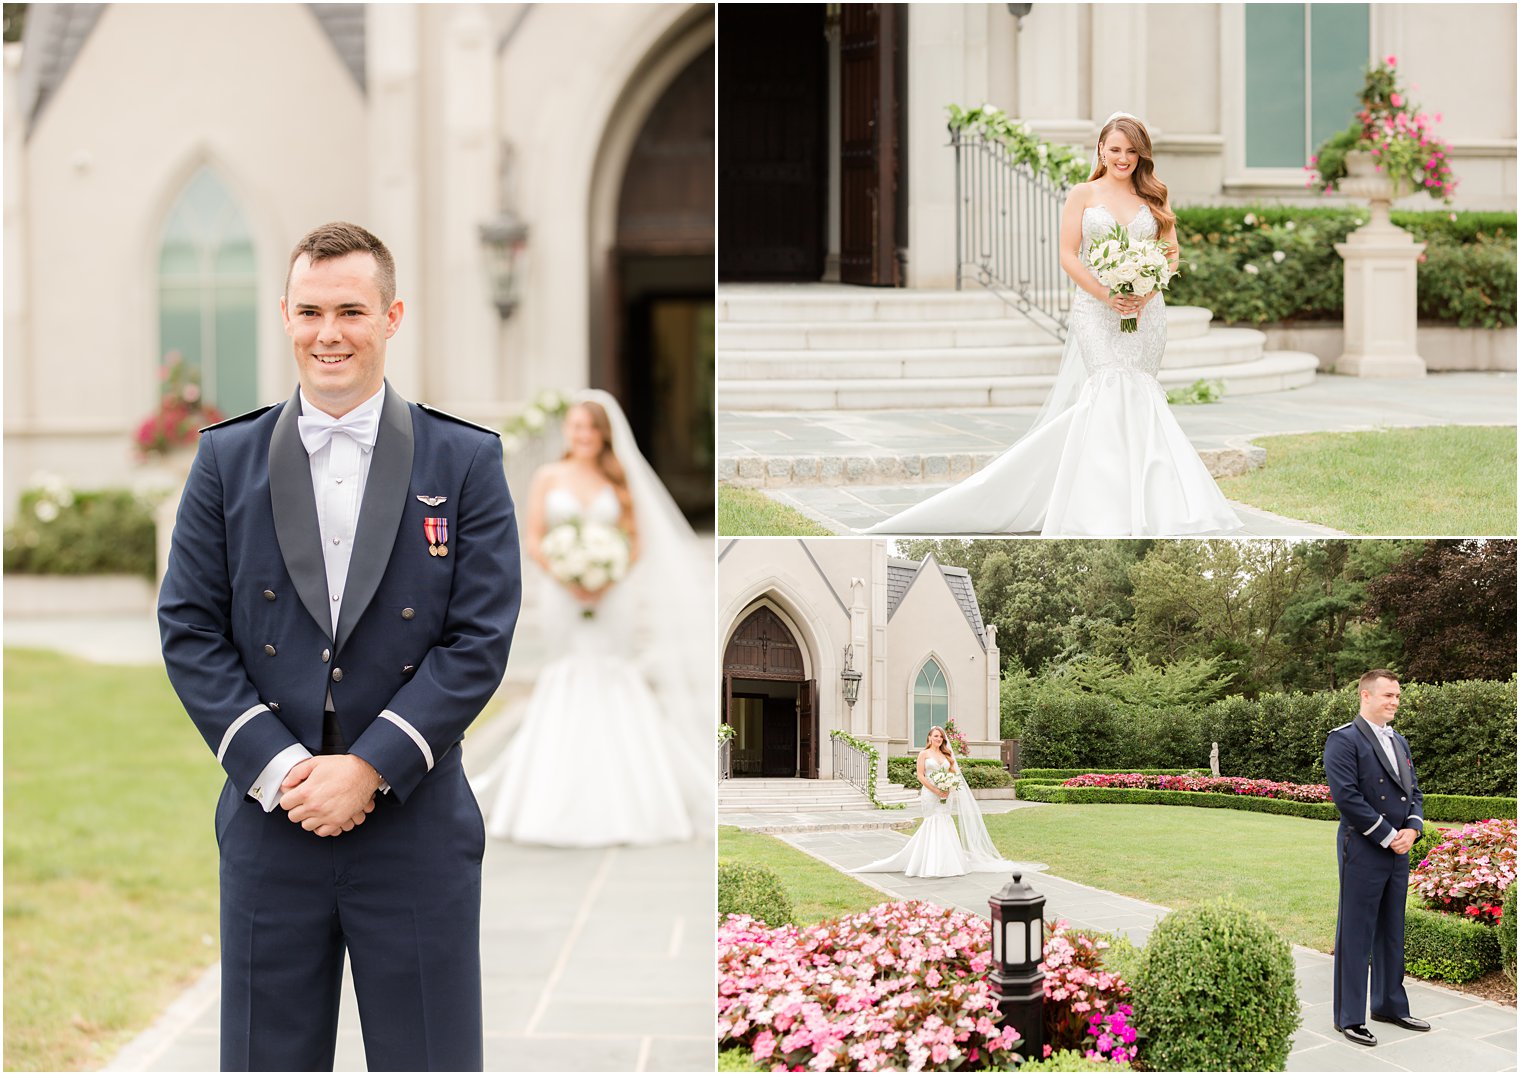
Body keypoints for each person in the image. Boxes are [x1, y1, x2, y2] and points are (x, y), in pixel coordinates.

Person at [158, 221, 520, 1071]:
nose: (330, 333)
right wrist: (285, 771)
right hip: (270, 823)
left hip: (414, 820)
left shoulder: (465, 459)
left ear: (392, 317)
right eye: (312, 310)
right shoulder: (224, 459)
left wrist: (370, 767)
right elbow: (190, 627)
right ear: (284, 314)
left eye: (351, 310)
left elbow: (479, 635)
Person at [864, 113, 1241, 537]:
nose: (1123, 158)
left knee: (1140, 392)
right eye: (1115, 149)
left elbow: (1170, 254)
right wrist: (1107, 295)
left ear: (1142, 155)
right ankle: (1098, 506)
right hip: (1096, 309)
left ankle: (1155, 500)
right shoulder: (1082, 193)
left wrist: (1145, 293)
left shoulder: (1154, 195)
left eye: (1132, 151)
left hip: (1146, 311)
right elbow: (1067, 255)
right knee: (1108, 387)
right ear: (1100, 149)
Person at [470, 391, 711, 846]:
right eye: (576, 427)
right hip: (561, 591)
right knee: (566, 670)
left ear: (604, 434)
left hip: (612, 592)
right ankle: (550, 796)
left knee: (612, 670)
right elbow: (535, 535)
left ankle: (634, 797)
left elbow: (635, 538)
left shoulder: (617, 479)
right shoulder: (548, 475)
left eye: (590, 428)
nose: (582, 435)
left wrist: (608, 575)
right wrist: (566, 574)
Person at [1323, 669, 1429, 1048]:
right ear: (1365, 696)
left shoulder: (1399, 741)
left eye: (1397, 695)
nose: (1395, 701)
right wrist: (1388, 835)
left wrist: (1412, 830)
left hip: (1399, 848)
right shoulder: (1343, 740)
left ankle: (1388, 1005)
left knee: (1391, 929)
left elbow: (1414, 793)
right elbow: (1347, 797)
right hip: (1365, 848)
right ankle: (1349, 1017)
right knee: (1356, 932)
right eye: (1388, 695)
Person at [854, 727, 1025, 878]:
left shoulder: (946, 755)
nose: (938, 739)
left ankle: (948, 862)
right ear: (929, 737)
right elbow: (921, 775)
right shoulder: (924, 754)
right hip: (929, 793)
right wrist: (935, 790)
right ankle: (929, 863)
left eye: (941, 737)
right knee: (932, 821)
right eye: (935, 736)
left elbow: (953, 774)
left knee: (945, 820)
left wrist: (949, 788)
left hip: (946, 794)